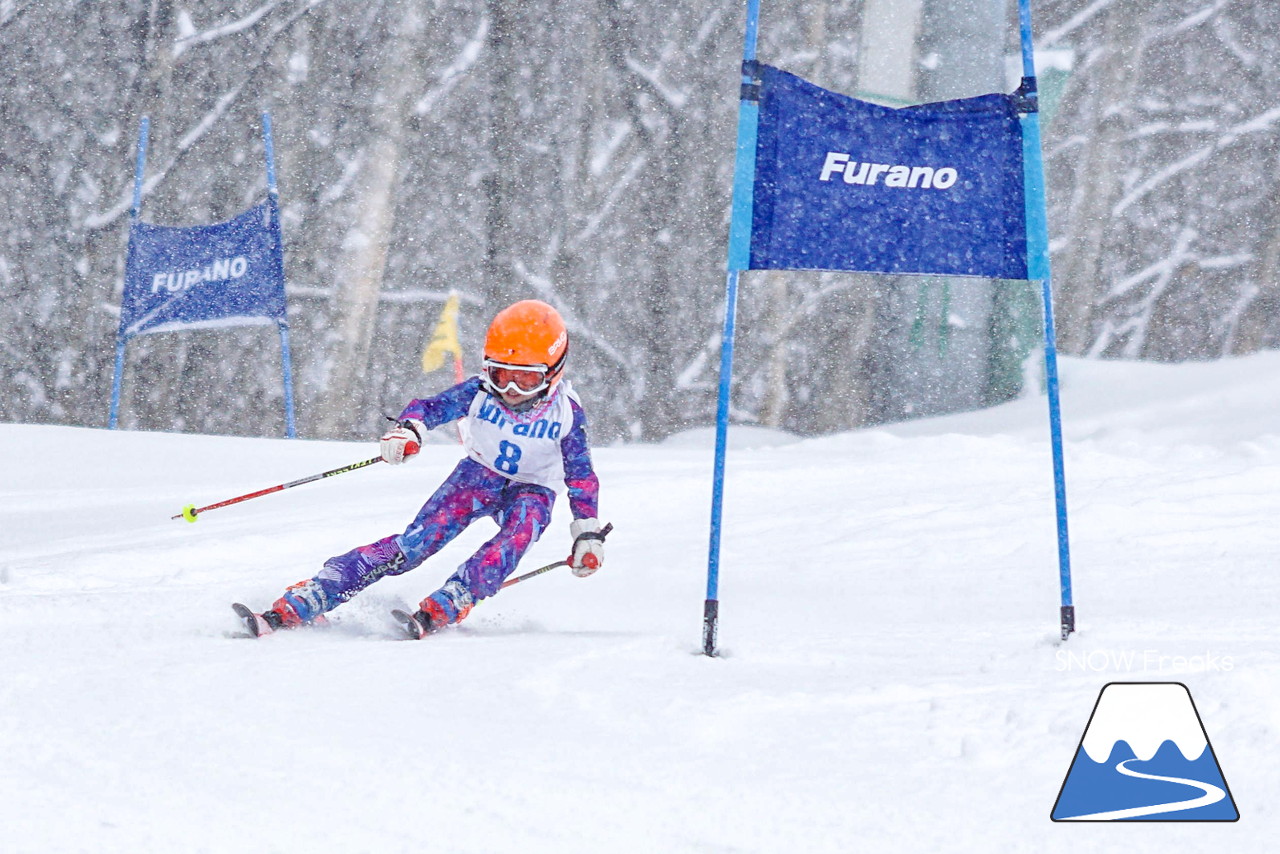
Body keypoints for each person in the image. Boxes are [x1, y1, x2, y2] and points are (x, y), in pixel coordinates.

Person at [233, 299, 604, 639]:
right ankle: (317, 592)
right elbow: (429, 408)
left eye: (525, 378)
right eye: (498, 373)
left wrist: (587, 533)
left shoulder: (567, 414)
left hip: (533, 489)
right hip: (478, 476)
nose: (509, 388)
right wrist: (408, 430)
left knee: (515, 537)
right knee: (413, 546)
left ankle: (453, 599)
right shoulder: (479, 392)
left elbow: (581, 477)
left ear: (553, 372)